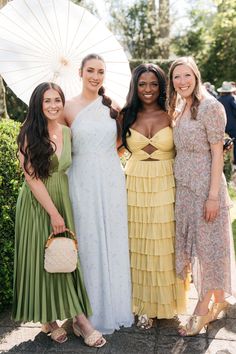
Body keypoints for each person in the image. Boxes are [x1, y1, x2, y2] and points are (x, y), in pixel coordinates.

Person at [13, 82, 106, 348]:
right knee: (43, 258)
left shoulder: (67, 131)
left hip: (63, 197)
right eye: (47, 101)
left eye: (57, 100)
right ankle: (63, 320)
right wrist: (54, 213)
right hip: (37, 202)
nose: (53, 106)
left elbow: (91, 156)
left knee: (64, 256)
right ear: (38, 105)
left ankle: (73, 319)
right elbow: (31, 178)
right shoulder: (28, 133)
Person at [58, 54, 133, 334]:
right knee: (87, 241)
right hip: (81, 180)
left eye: (101, 71)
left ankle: (114, 305)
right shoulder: (66, 107)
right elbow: (61, 146)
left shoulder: (113, 105)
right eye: (90, 70)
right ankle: (85, 314)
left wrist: (105, 160)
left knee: (113, 240)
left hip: (111, 178)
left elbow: (120, 143)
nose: (95, 76)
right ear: (80, 72)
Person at [167, 56, 236, 336]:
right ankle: (217, 300)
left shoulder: (211, 106)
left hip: (207, 188)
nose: (182, 82)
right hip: (184, 188)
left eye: (187, 76)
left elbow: (218, 154)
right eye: (176, 77)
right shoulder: (180, 107)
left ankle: (202, 308)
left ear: (196, 76)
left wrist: (213, 196)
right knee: (198, 246)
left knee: (209, 250)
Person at [120, 63, 188, 329]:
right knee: (138, 245)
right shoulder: (125, 115)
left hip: (166, 184)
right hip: (134, 184)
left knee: (167, 243)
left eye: (154, 84)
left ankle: (169, 305)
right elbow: (110, 149)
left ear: (161, 86)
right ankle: (143, 305)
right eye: (142, 84)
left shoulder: (173, 114)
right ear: (135, 87)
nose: (148, 89)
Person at [217, 81, 236, 166]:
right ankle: (234, 160)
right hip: (232, 125)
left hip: (223, 125)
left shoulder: (218, 100)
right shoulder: (231, 98)